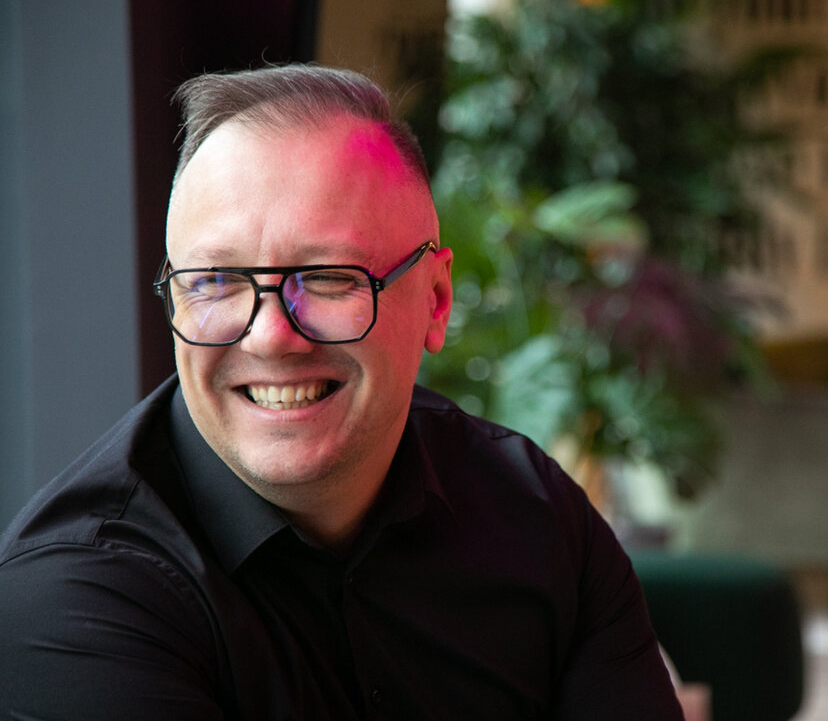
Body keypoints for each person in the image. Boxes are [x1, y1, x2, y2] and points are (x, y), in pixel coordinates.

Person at [0, 64, 683, 719]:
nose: (270, 336)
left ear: (436, 300)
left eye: (329, 277)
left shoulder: (537, 518)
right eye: (215, 282)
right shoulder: (78, 595)